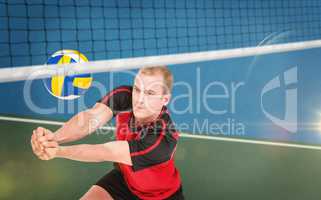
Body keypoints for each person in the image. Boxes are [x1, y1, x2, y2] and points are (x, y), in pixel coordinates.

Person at [30, 66, 184, 200]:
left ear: (165, 99)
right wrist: (52, 139)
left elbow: (106, 151)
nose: (139, 100)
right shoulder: (125, 96)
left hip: (161, 196)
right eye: (137, 89)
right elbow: (91, 118)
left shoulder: (163, 137)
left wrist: (58, 151)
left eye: (150, 93)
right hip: (125, 182)